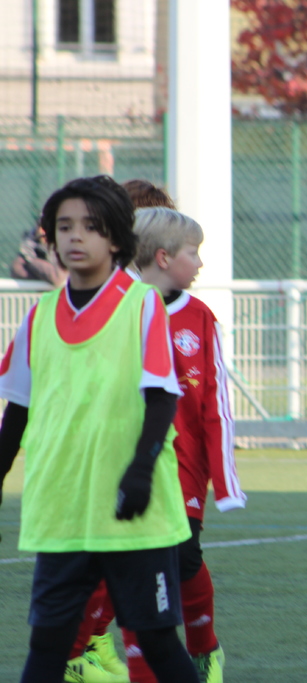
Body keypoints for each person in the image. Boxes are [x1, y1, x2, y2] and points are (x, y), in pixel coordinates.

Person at [0, 175, 199, 683]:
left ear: (115, 239)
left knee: (156, 641)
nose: (75, 236)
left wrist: (140, 470)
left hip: (133, 515)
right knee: (48, 646)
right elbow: (17, 411)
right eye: (64, 226)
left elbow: (162, 398)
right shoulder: (38, 318)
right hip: (62, 510)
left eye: (90, 227)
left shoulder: (142, 305)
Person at [68, 201, 244, 683]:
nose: (201, 262)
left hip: (181, 470)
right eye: (194, 252)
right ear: (164, 257)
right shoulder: (110, 309)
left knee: (176, 562)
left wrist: (226, 482)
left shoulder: (200, 318)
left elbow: (215, 404)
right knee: (120, 569)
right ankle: (73, 654)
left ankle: (204, 651)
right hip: (120, 465)